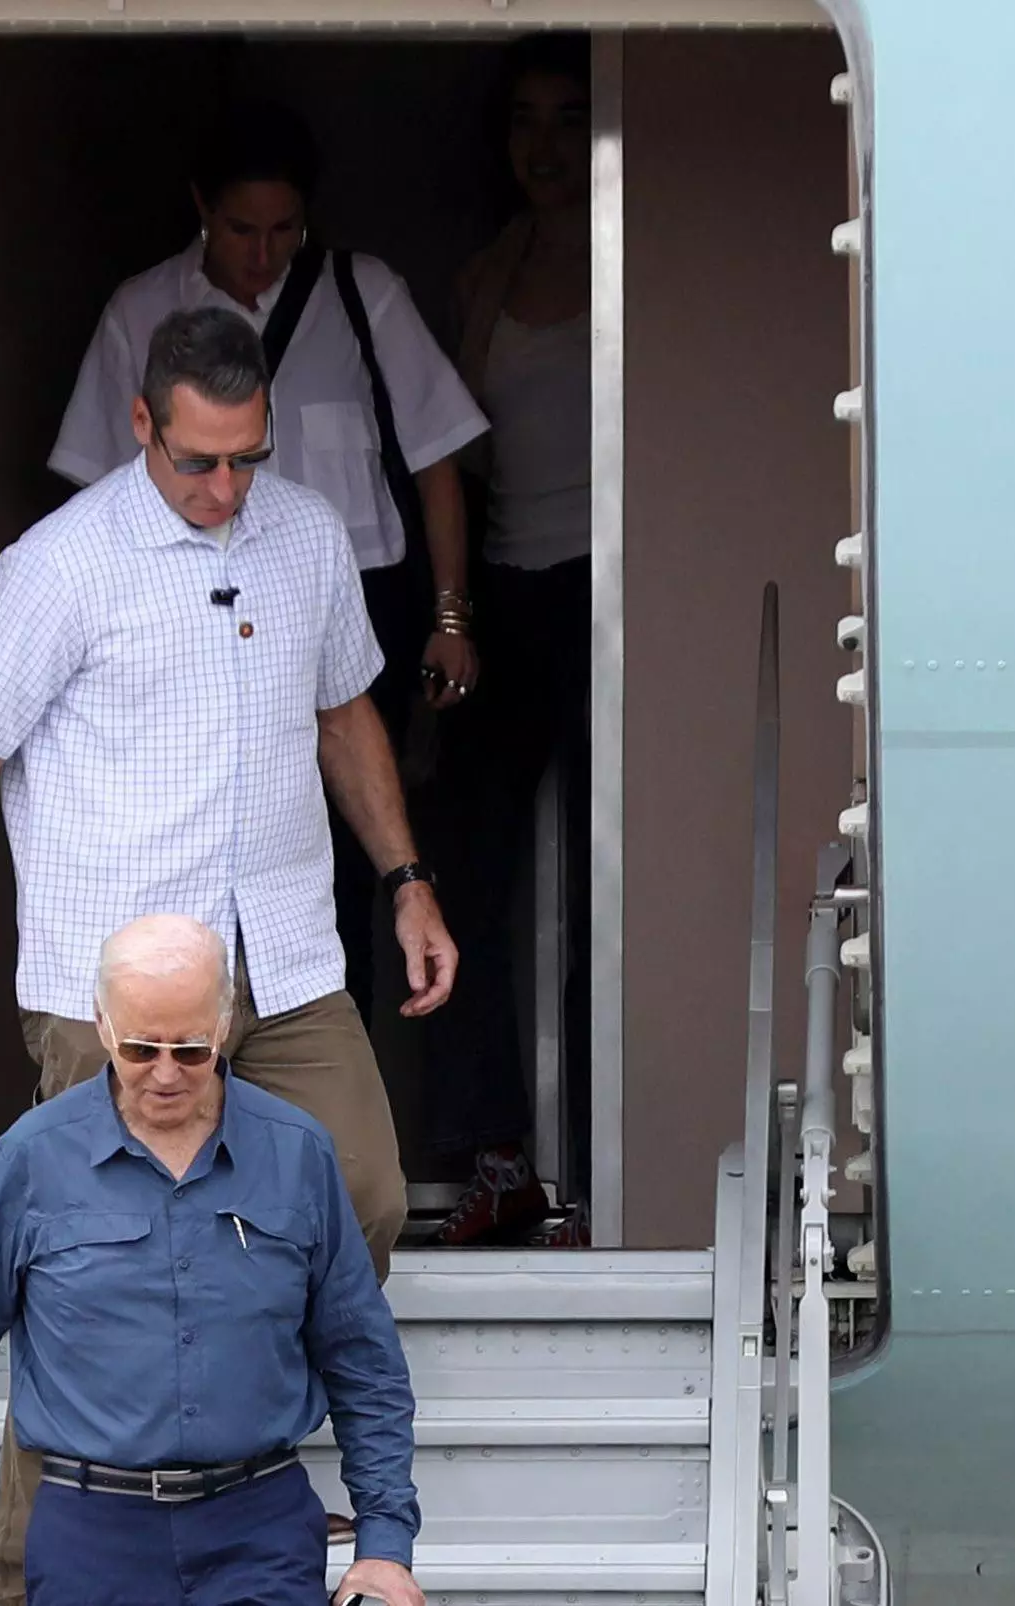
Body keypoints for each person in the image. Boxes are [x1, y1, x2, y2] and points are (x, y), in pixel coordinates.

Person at [0, 304, 455, 1603]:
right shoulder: (60, 565)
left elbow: (345, 719)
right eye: (198, 462)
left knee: (366, 1186)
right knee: (75, 1279)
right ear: (141, 426)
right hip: (109, 989)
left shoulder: (309, 540)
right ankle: (31, 1572)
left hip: (281, 954)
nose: (227, 487)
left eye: (247, 457)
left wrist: (405, 880)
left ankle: (239, 1461)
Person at [0, 915, 424, 1606]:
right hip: (91, 1535)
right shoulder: (31, 1159)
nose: (165, 1074)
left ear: (222, 1024)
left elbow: (362, 1360)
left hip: (260, 1530)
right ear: (101, 1026)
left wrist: (384, 1541)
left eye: (190, 1049)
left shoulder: (297, 1153)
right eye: (140, 1048)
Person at [47, 104, 490, 1031]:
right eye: (241, 229)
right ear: (200, 206)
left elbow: (435, 455)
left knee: (342, 861)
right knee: (195, 850)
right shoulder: (140, 310)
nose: (262, 253)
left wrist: (450, 615)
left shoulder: (362, 293)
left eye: (283, 229)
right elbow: (86, 494)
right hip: (176, 595)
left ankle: (325, 1073)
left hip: (348, 599)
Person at [422, 33, 595, 1247]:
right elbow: (459, 451)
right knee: (463, 867)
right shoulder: (486, 271)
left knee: (603, 874)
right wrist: (457, 609)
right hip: (504, 578)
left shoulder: (644, 252)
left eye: (566, 116)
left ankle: (598, 1153)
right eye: (523, 118)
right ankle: (494, 1158)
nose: (543, 143)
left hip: (615, 585)